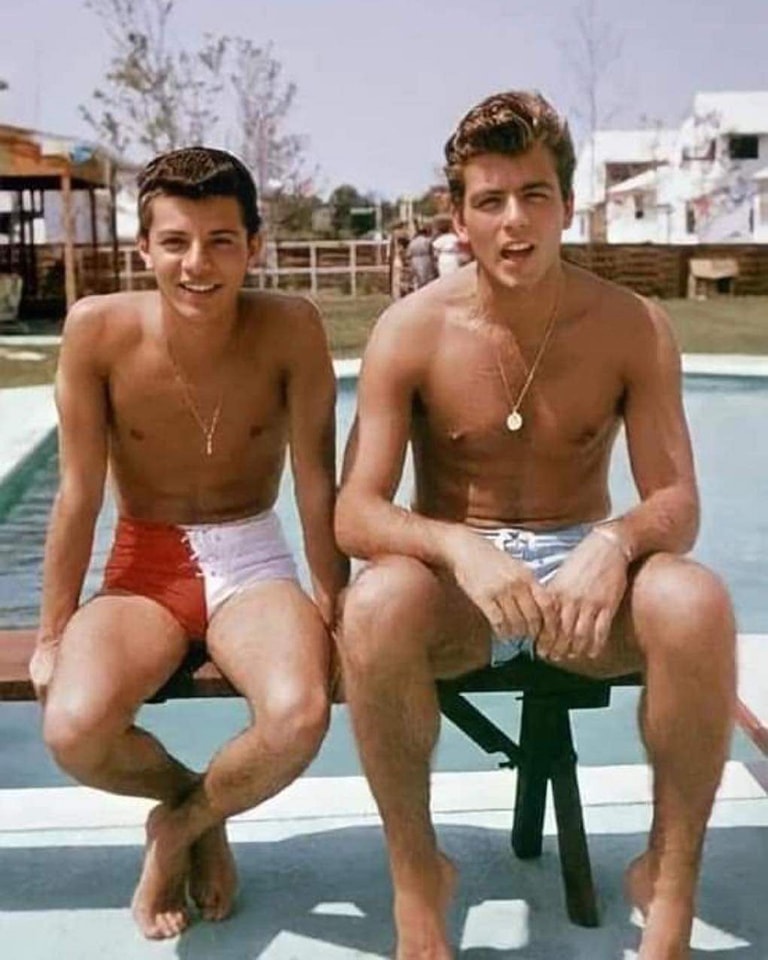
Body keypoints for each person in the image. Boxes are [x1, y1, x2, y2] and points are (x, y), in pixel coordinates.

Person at [334, 91, 735, 960]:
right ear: (458, 215)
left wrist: (613, 541)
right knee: (373, 605)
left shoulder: (631, 325)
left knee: (693, 600)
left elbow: (679, 503)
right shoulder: (411, 331)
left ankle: (667, 891)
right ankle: (418, 888)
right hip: (460, 595)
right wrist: (455, 545)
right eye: (490, 200)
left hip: (578, 587)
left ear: (568, 203)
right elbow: (354, 513)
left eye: (535, 195)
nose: (514, 223)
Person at [29, 146, 348, 940]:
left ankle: (181, 827)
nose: (196, 263)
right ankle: (195, 805)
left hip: (254, 558)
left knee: (300, 714)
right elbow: (78, 494)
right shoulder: (97, 332)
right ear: (145, 248)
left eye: (220, 241)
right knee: (72, 728)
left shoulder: (291, 330)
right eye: (174, 241)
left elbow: (316, 484)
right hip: (145, 564)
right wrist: (50, 634)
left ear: (254, 247)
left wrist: (334, 602)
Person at [405, 224, 437, 290]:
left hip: (415, 260)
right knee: (428, 277)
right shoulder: (427, 240)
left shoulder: (412, 242)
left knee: (417, 277)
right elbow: (432, 251)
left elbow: (408, 254)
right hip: (426, 258)